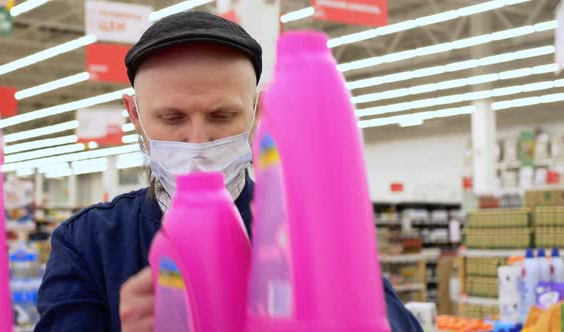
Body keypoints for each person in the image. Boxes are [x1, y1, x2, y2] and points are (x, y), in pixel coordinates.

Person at [35, 11, 423, 332]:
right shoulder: (87, 242)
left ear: (256, 109)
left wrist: (331, 300)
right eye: (171, 118)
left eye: (222, 115)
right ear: (135, 114)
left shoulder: (304, 232)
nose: (197, 141)